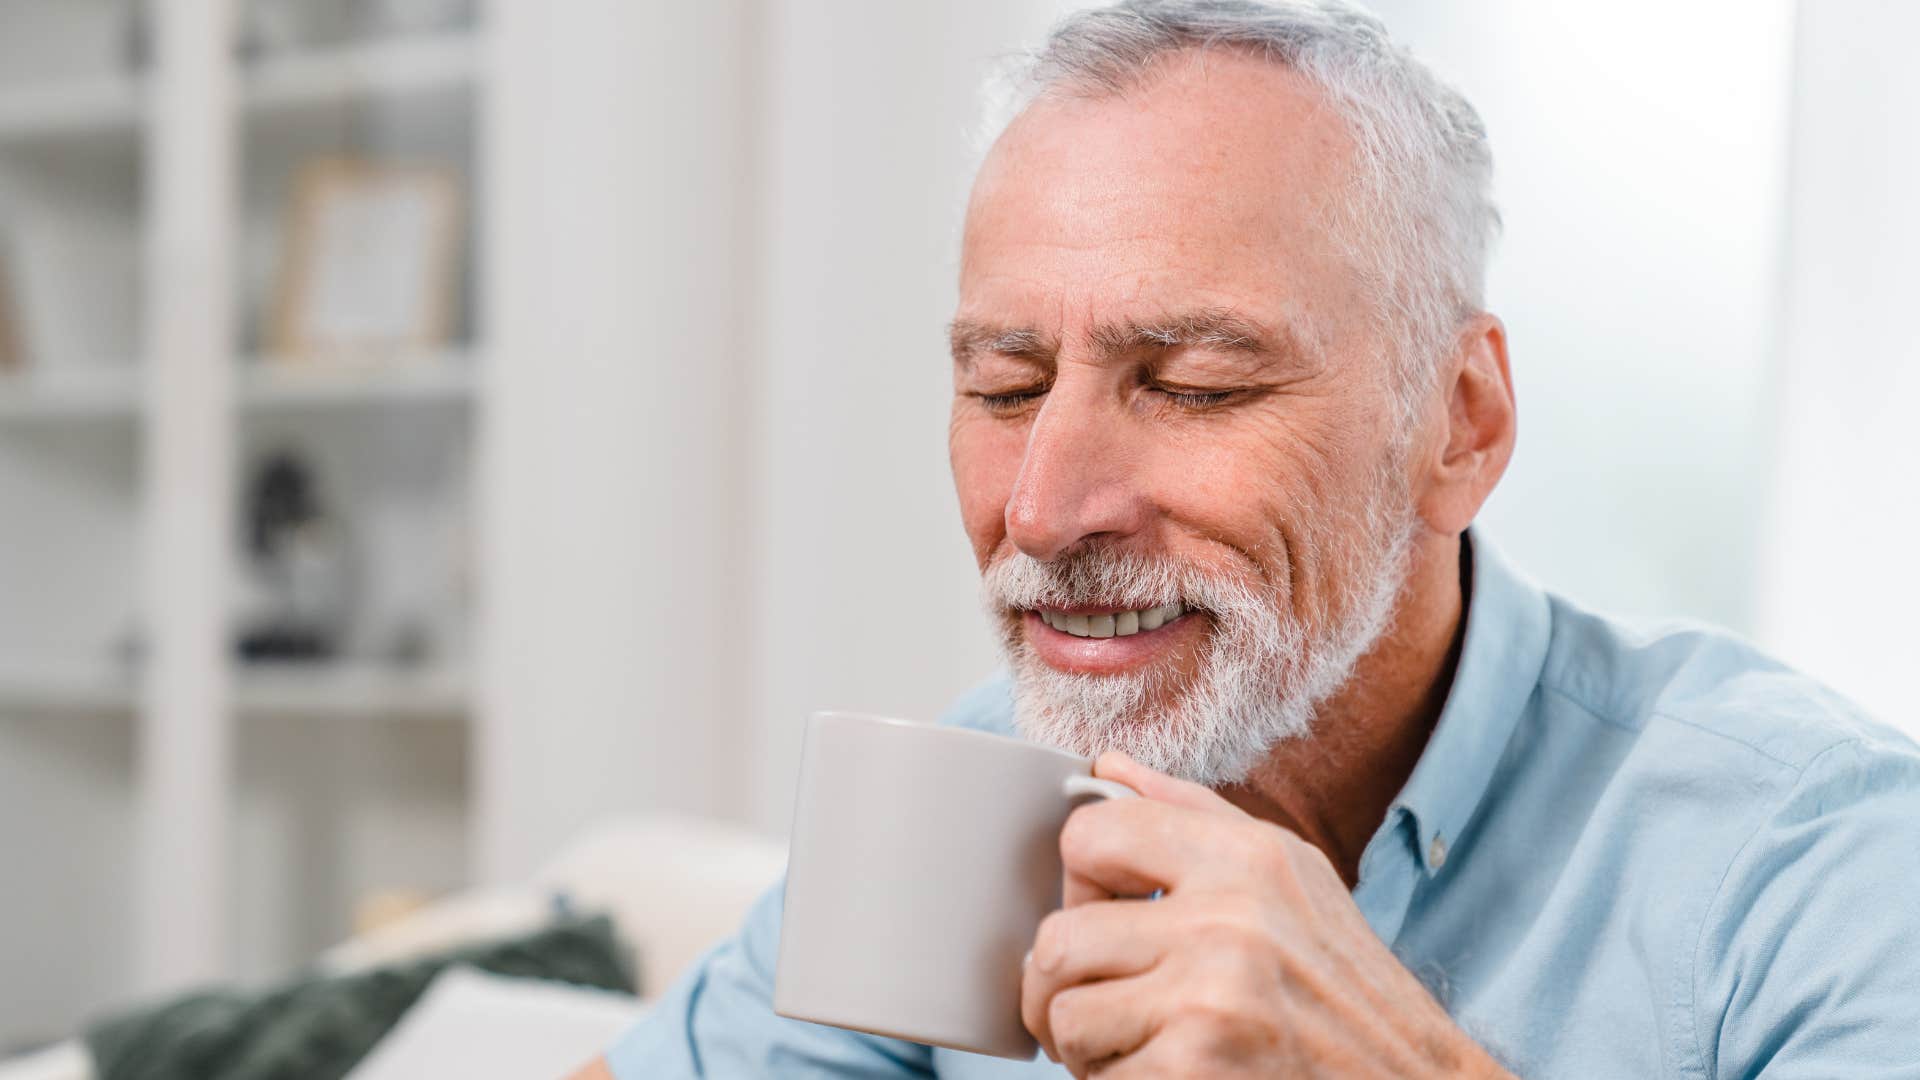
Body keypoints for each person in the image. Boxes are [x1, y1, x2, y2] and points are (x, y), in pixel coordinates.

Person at [582, 1, 1920, 1075]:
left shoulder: (1814, 859)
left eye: (1195, 386)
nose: (1043, 512)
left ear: (1460, 426)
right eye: (1004, 385)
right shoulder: (976, 797)